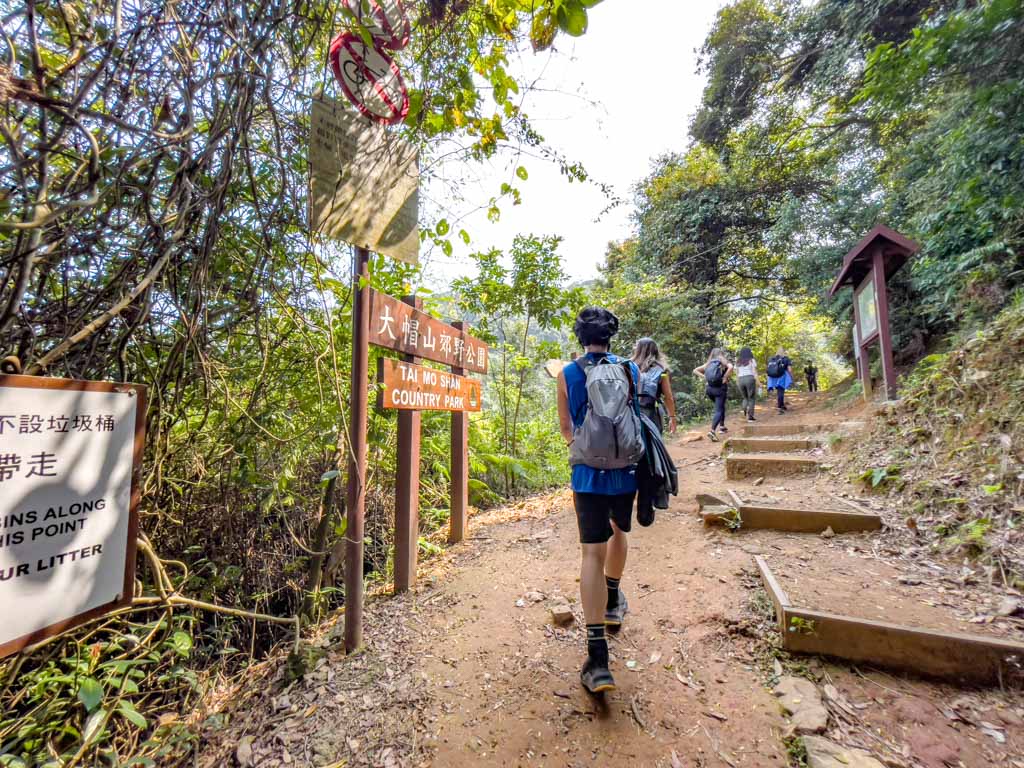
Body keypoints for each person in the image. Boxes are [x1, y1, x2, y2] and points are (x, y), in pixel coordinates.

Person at [556, 307, 642, 694]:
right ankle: (613, 600)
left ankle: (598, 659)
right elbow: (635, 417)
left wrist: (585, 448)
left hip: (587, 475)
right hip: (626, 472)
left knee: (592, 552)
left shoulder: (568, 373)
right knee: (619, 532)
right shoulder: (629, 369)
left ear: (580, 336)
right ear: (610, 335)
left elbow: (566, 429)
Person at [630, 337, 678, 435]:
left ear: (637, 350)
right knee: (654, 439)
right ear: (656, 350)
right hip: (649, 412)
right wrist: (672, 417)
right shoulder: (662, 370)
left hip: (629, 411)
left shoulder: (628, 366)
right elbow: (668, 396)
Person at [693, 348, 733, 442]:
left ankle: (722, 426)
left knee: (720, 406)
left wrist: (705, 378)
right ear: (721, 354)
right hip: (719, 389)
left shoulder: (709, 363)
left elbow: (695, 370)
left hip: (709, 390)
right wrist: (725, 377)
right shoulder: (722, 361)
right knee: (719, 410)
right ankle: (712, 431)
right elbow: (731, 367)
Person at [767, 347, 793, 412]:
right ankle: (780, 406)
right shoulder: (786, 359)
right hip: (781, 376)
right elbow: (789, 370)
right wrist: (791, 376)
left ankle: (782, 405)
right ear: (783, 352)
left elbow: (768, 369)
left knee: (779, 391)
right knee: (781, 391)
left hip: (773, 378)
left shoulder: (772, 359)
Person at [735, 346, 758, 422]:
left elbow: (737, 373)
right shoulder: (751, 360)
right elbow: (754, 372)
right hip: (750, 378)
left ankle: (744, 411)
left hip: (741, 379)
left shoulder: (738, 361)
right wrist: (758, 382)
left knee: (745, 398)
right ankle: (750, 417)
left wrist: (737, 382)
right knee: (751, 398)